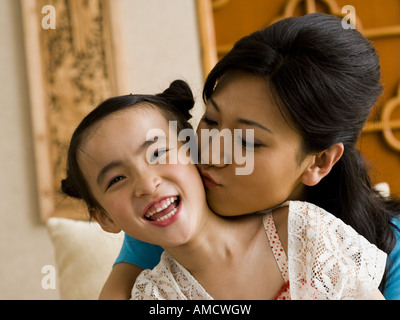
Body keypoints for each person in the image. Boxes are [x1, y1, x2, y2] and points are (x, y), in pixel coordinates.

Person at [101, 13, 400, 299]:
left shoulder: (385, 247)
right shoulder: (173, 211)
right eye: (212, 120)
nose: (210, 152)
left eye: (246, 141)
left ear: (319, 161)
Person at [61, 79, 386, 299]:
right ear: (103, 217)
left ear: (194, 151)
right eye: (116, 179)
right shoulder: (155, 295)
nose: (147, 184)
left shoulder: (301, 231)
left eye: (158, 153)